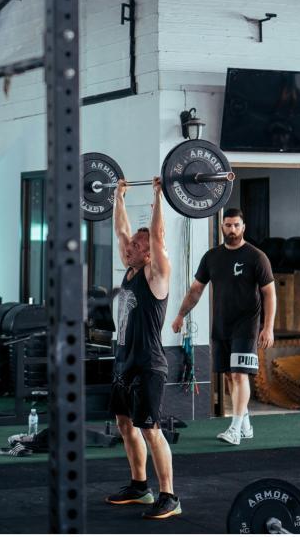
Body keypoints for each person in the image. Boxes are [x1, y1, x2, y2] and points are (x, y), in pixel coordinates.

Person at [106, 177, 181, 519]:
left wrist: (157, 196)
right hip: (124, 363)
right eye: (132, 244)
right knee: (125, 424)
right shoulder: (130, 270)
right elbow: (121, 231)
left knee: (151, 429)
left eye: (137, 245)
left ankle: (169, 496)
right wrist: (117, 197)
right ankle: (140, 487)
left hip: (149, 365)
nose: (129, 247)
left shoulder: (156, 275)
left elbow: (159, 237)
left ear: (149, 252)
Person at [172, 208, 276, 445]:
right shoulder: (212, 257)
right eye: (228, 225)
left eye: (236, 225)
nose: (232, 230)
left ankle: (235, 428)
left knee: (240, 375)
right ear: (222, 226)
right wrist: (180, 315)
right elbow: (195, 290)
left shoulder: (256, 257)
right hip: (221, 324)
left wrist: (268, 327)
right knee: (230, 375)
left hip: (247, 324)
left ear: (243, 227)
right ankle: (246, 425)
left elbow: (269, 293)